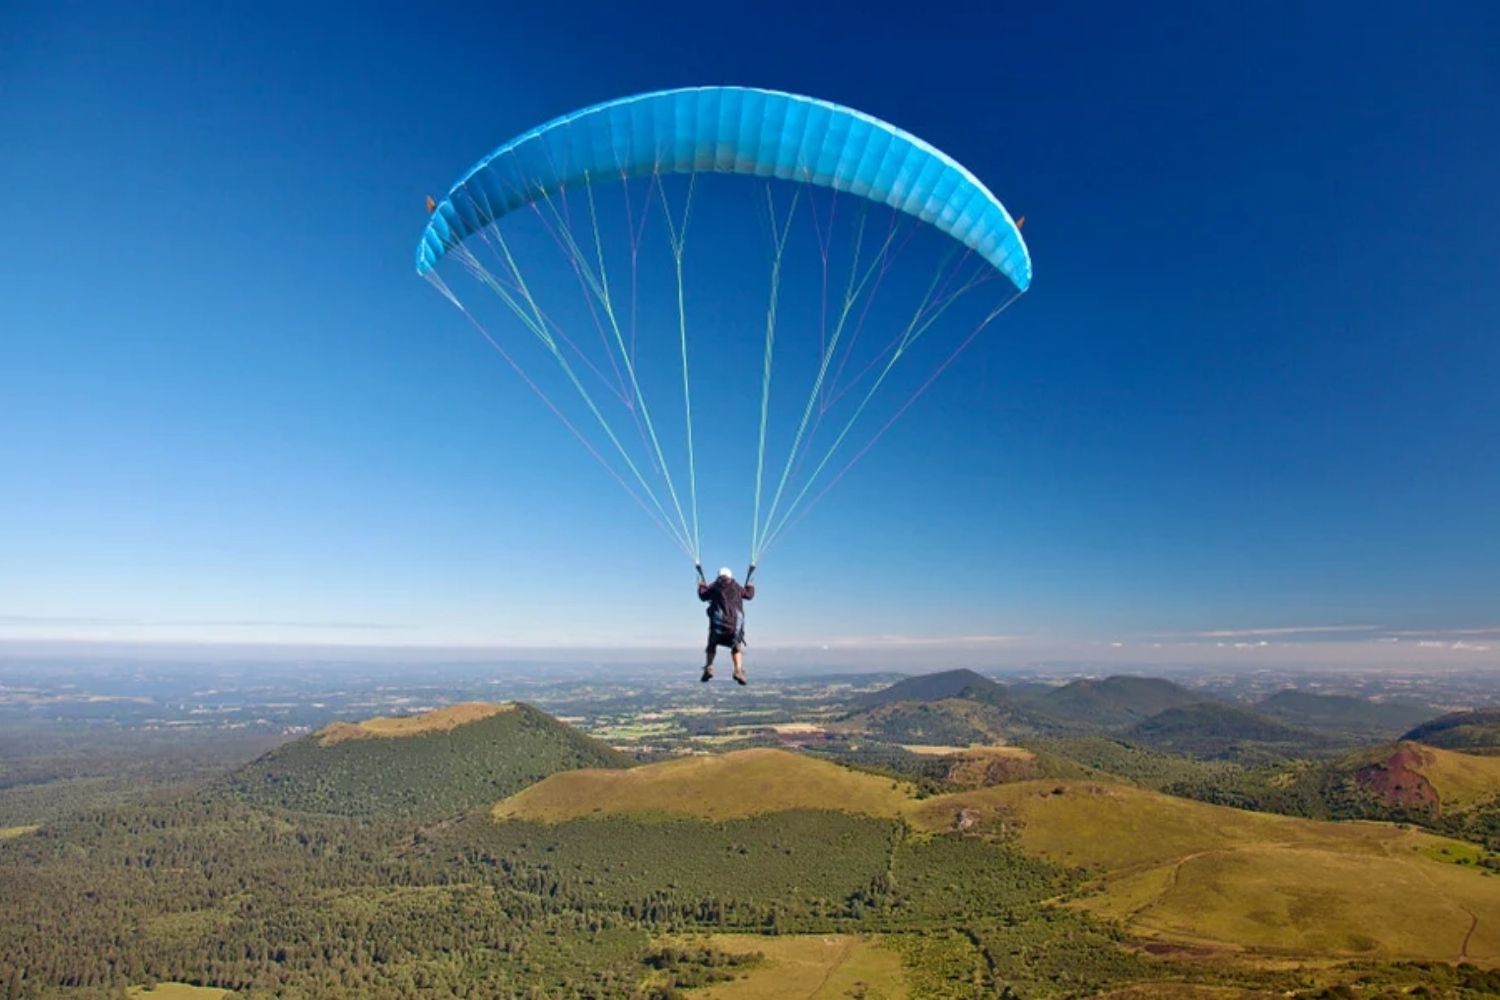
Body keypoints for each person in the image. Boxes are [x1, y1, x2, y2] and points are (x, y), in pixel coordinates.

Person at [698, 567, 755, 685]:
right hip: (734, 627)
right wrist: (750, 586)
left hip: (718, 627)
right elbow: (749, 595)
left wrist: (701, 586)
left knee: (712, 644)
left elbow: (703, 596)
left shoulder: (714, 587)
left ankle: (709, 667)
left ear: (719, 576)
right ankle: (738, 670)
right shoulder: (737, 587)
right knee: (736, 646)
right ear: (730, 576)